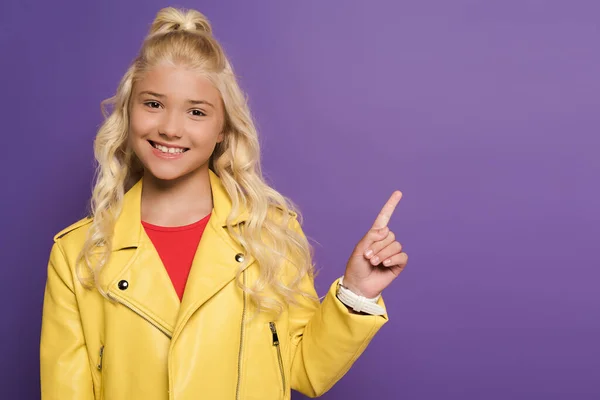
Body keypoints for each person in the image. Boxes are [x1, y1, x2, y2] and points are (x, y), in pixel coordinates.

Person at [39, 7, 408, 400]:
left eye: (196, 111)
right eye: (153, 104)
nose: (170, 127)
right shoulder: (77, 254)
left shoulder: (270, 234)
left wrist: (356, 293)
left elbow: (304, 370)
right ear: (129, 113)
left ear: (222, 129)